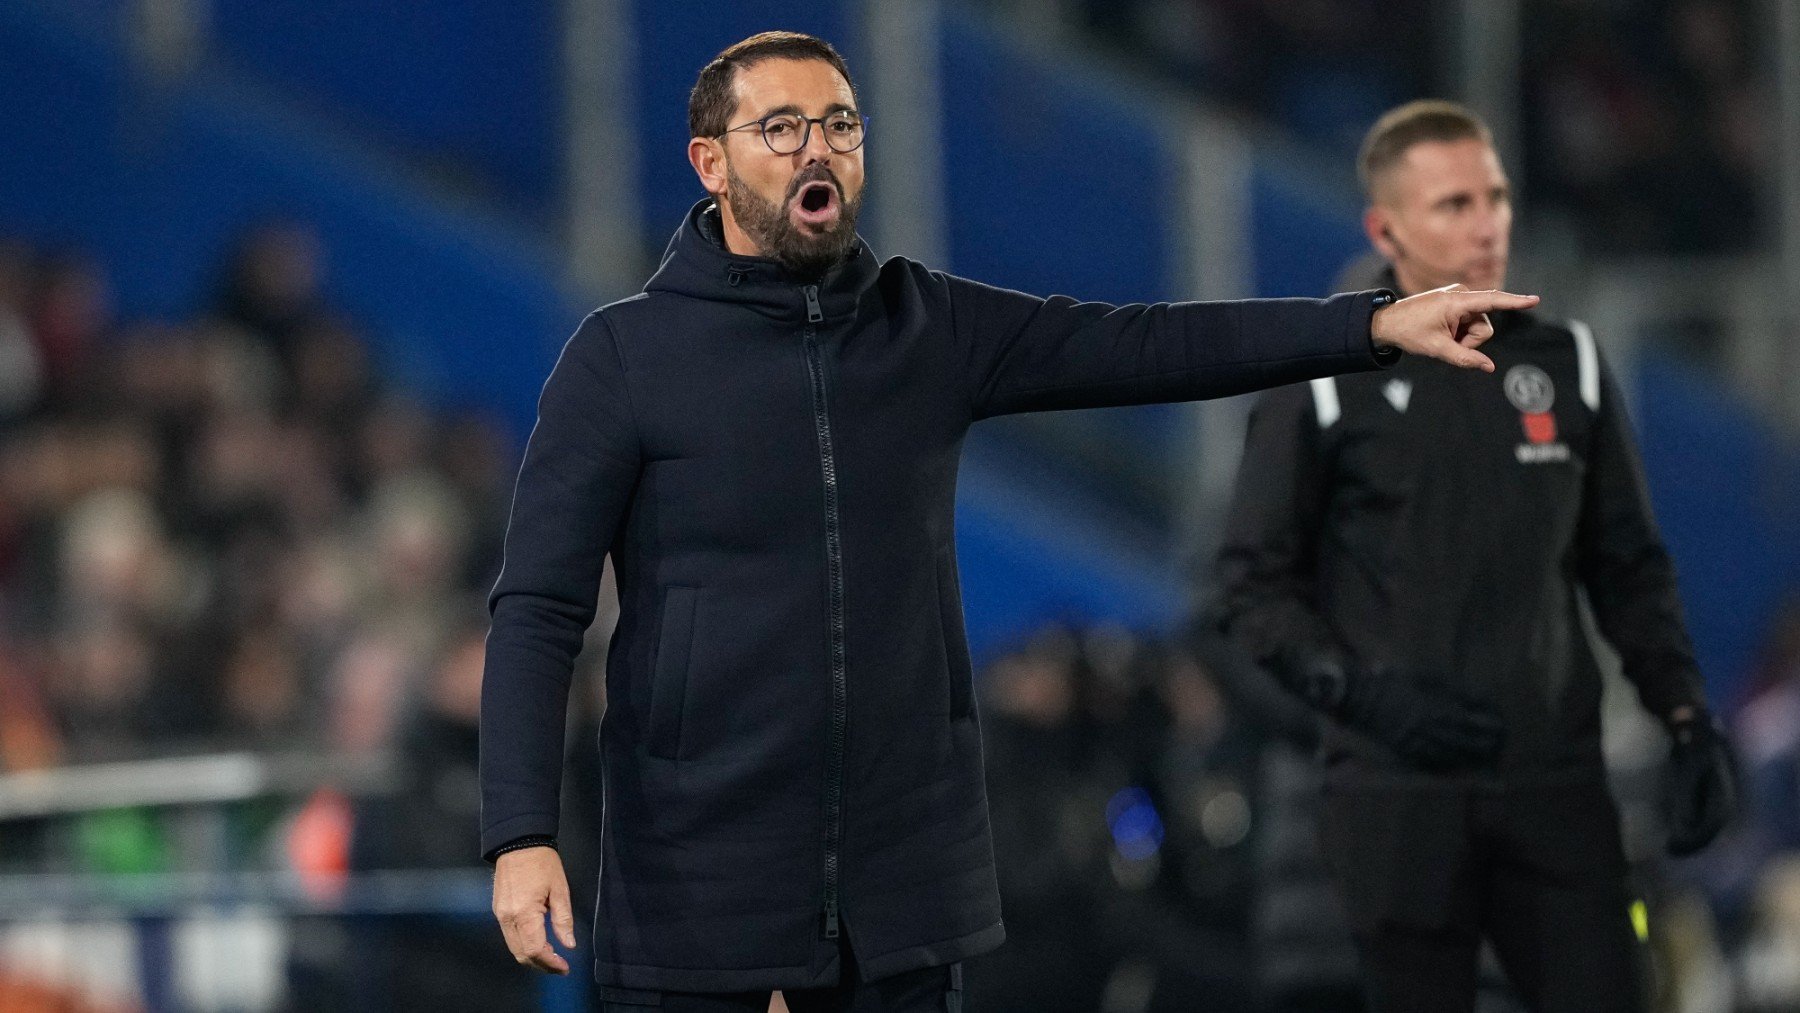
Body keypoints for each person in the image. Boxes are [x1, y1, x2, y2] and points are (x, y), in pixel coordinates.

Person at [479, 35, 1533, 1012]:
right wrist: (522, 830)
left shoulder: (927, 329)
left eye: (842, 124)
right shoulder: (623, 359)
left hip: (902, 891)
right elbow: (537, 606)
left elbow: (1144, 345)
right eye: (784, 127)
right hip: (701, 877)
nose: (822, 149)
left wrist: (1371, 327)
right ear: (712, 163)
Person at [1208, 100, 1739, 1013]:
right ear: (1387, 228)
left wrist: (1686, 716)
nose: (1488, 221)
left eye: (1494, 196)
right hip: (1395, 794)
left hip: (1556, 781)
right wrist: (1362, 696)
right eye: (1455, 203)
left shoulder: (1567, 362)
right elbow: (1250, 589)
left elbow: (1628, 569)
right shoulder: (1325, 380)